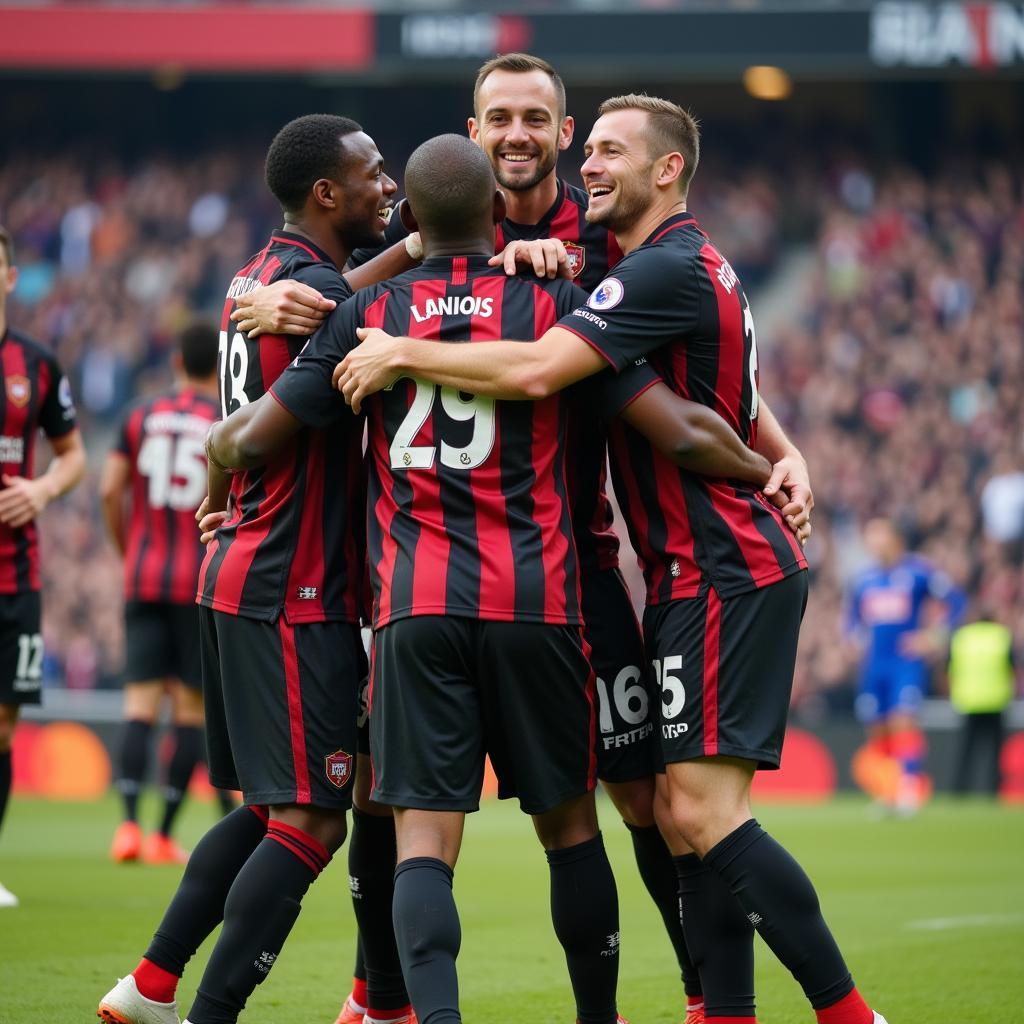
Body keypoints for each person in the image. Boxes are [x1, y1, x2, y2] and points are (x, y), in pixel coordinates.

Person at [333, 97, 887, 1024]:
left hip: (655, 569)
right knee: (656, 813)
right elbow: (716, 394)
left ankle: (831, 1011)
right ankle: (720, 1010)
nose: (585, 162)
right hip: (627, 578)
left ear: (663, 169)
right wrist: (782, 454)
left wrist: (393, 349)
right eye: (583, 148)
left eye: (598, 146)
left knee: (670, 811)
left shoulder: (622, 269)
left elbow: (565, 377)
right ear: (474, 139)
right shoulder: (623, 267)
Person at [203, 133, 775, 1024]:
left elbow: (250, 436)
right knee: (571, 830)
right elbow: (679, 429)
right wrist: (769, 468)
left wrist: (218, 469)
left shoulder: (368, 316)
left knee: (423, 841)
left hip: (413, 607)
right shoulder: (558, 302)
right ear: (497, 212)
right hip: (539, 601)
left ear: (411, 220)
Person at [98, 113, 407, 1024]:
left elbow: (333, 304)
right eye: (372, 173)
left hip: (242, 569)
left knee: (278, 807)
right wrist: (418, 249)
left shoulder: (254, 277)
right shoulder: (311, 292)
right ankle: (209, 1012)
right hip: (293, 587)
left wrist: (219, 478)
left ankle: (152, 984)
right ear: (326, 193)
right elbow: (370, 307)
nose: (385, 185)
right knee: (313, 819)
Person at [100, 322, 231, 867]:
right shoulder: (222, 421)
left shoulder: (137, 415)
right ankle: (162, 834)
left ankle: (127, 825)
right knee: (191, 712)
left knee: (138, 707)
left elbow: (110, 488)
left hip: (143, 576)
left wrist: (127, 548)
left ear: (177, 360)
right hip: (196, 579)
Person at [0, 224, 86, 909]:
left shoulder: (36, 365)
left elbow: (74, 455)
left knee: (5, 723)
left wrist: (43, 489)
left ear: (9, 278)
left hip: (15, 574)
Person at [847, 517, 965, 814]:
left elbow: (956, 601)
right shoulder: (864, 580)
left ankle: (910, 788)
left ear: (895, 538)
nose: (871, 540)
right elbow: (851, 619)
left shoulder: (918, 572)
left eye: (878, 533)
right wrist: (851, 639)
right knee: (878, 730)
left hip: (904, 662)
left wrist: (933, 636)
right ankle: (889, 792)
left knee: (903, 721)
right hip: (875, 664)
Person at [949, 607, 1016, 795]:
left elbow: (950, 669)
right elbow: (1012, 668)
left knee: (967, 751)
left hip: (969, 701)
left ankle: (960, 790)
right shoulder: (1001, 637)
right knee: (996, 752)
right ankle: (994, 790)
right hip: (996, 701)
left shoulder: (962, 637)